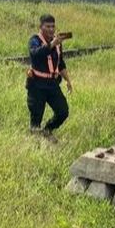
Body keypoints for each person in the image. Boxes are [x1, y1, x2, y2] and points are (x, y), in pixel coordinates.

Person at [27, 14, 73, 142]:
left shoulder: (57, 43)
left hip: (52, 84)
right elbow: (35, 55)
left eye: (53, 26)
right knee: (36, 117)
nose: (51, 29)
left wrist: (68, 80)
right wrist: (51, 44)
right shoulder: (35, 40)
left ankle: (47, 130)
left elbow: (60, 63)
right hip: (37, 84)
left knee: (63, 111)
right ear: (41, 27)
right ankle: (35, 142)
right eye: (47, 26)